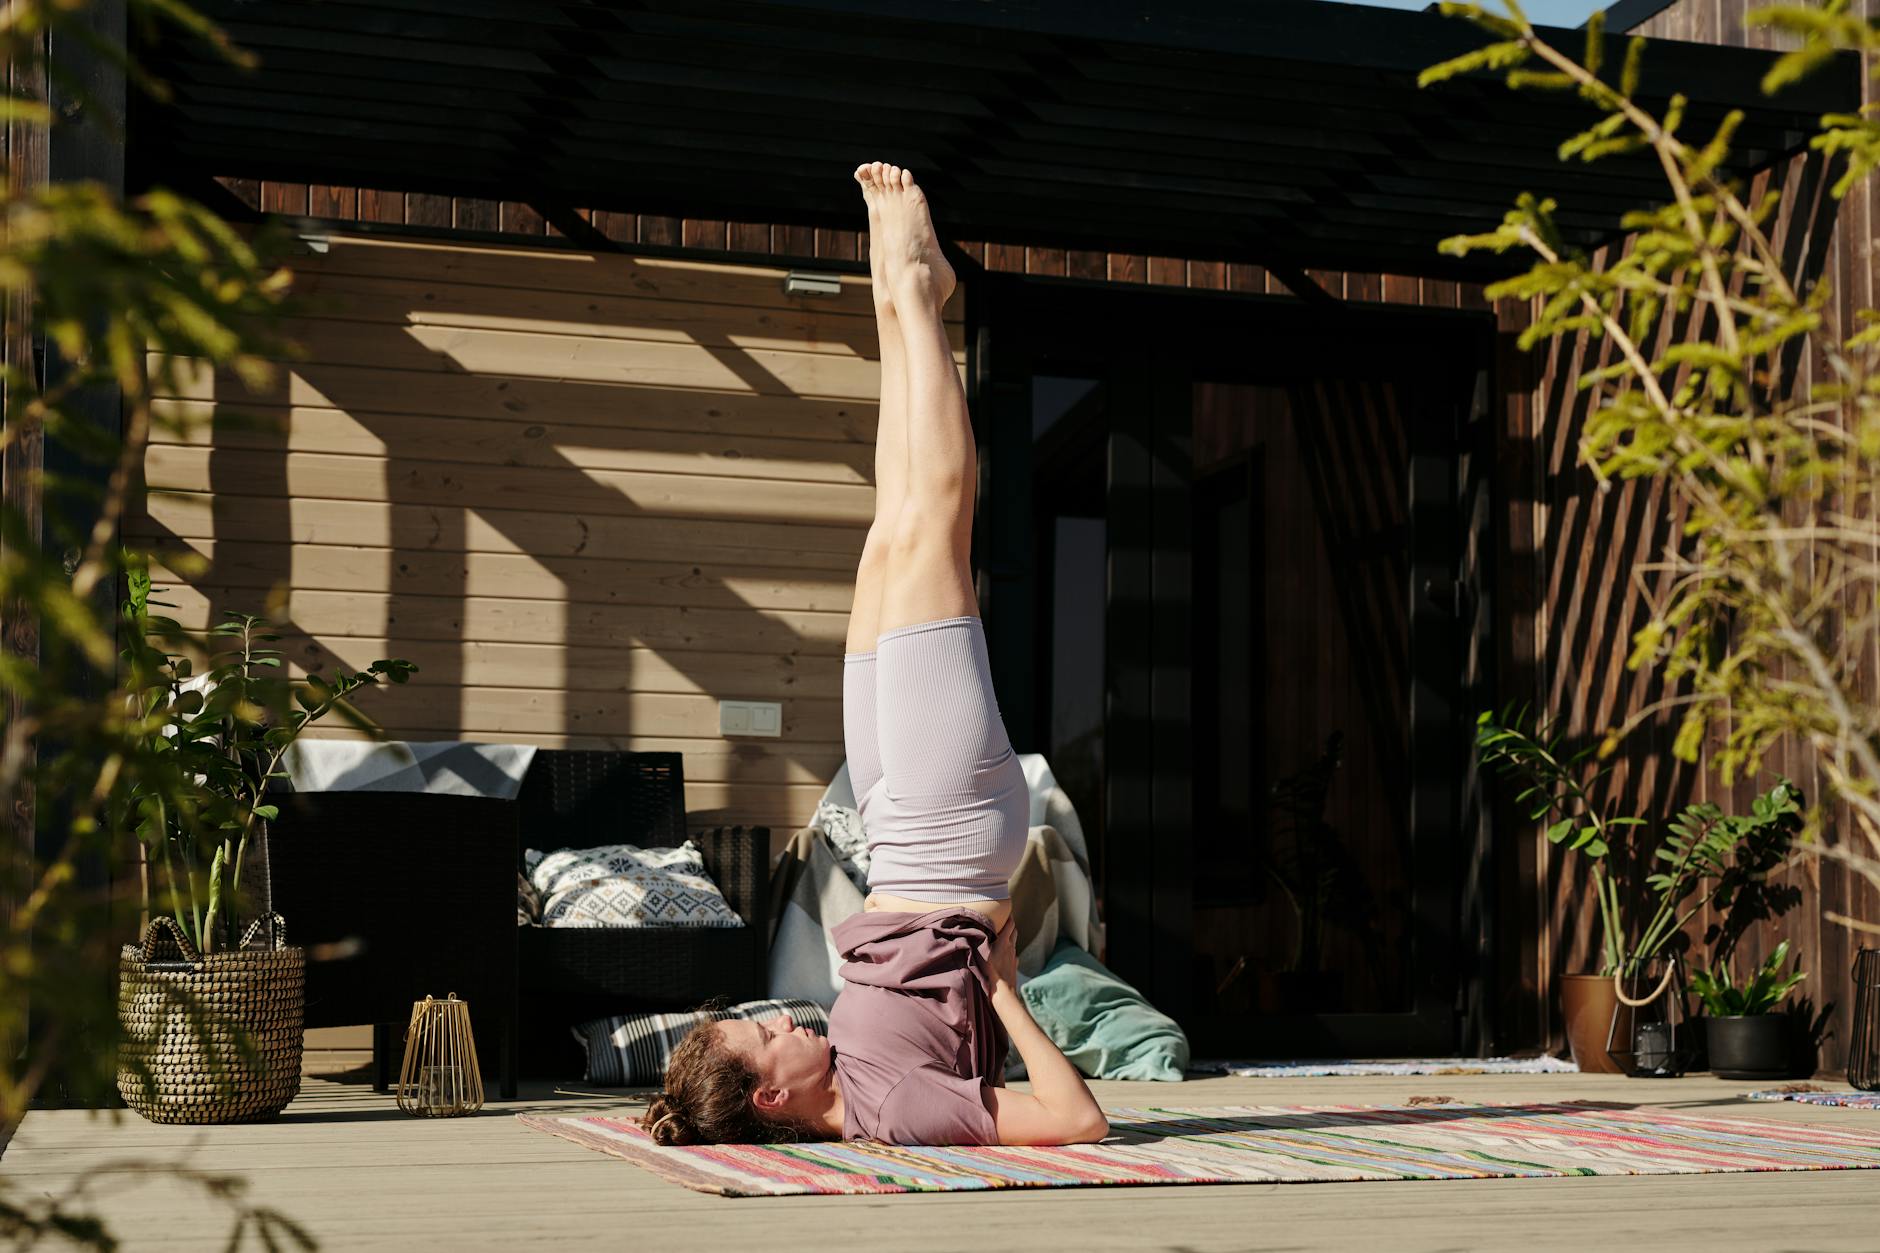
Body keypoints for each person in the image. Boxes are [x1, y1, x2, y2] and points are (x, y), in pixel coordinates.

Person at [639, 164, 1108, 1149]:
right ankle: (909, 295)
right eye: (765, 1037)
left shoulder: (848, 1070)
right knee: (938, 524)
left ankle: (904, 302)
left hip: (894, 833)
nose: (780, 1017)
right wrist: (1010, 1000)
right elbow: (1077, 1120)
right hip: (947, 840)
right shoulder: (895, 1108)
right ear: (774, 1097)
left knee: (892, 531)